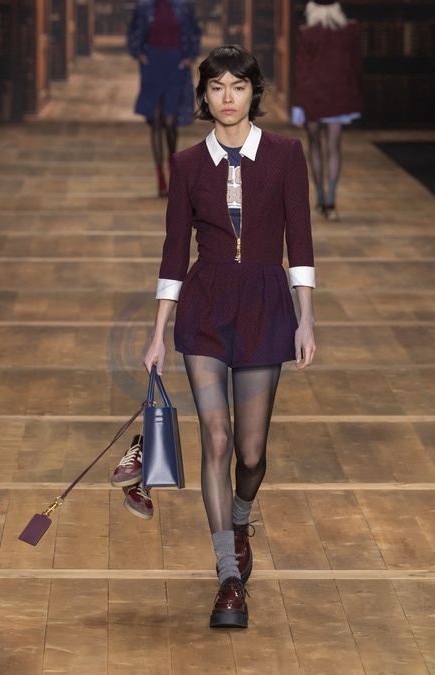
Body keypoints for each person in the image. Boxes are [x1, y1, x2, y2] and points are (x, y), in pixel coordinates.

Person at [113, 45, 316, 629]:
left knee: (251, 454)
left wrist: (306, 317)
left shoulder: (285, 155)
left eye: (239, 86)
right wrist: (157, 335)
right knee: (218, 440)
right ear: (203, 95)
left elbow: (300, 241)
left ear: (254, 92)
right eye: (217, 87)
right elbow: (174, 252)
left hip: (264, 305)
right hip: (205, 307)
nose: (228, 97)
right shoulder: (187, 164)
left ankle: (241, 518)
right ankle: (228, 576)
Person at [292, 0, 363, 220]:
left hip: (312, 96)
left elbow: (302, 70)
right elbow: (356, 65)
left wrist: (298, 104)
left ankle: (321, 199)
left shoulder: (306, 32)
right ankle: (331, 202)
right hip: (339, 95)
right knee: (334, 147)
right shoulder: (350, 30)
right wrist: (355, 94)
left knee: (314, 145)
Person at [128, 0, 201, 197]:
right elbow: (133, 32)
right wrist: (139, 54)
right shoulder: (144, 6)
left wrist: (189, 57)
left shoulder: (183, 6)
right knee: (156, 120)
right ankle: (161, 178)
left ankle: (173, 169)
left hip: (175, 66)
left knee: (170, 121)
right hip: (153, 65)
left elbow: (194, 32)